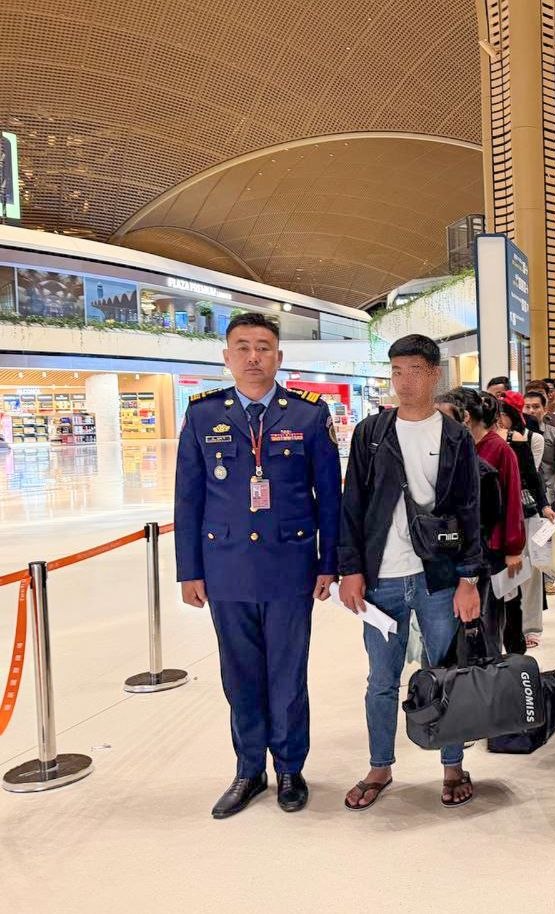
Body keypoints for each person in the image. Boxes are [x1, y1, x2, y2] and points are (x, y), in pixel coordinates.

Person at [176, 312, 341, 819]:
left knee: (288, 675)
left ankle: (290, 768)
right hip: (225, 568)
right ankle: (249, 770)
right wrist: (189, 570)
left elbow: (329, 497)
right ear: (227, 356)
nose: (253, 357)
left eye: (264, 347)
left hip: (290, 565)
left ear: (278, 356)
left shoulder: (308, 415)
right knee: (240, 675)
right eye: (243, 347)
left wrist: (329, 562)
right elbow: (188, 498)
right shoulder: (203, 414)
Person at [337, 335, 486, 811]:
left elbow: (470, 510)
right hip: (381, 579)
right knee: (381, 679)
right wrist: (350, 569)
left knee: (445, 674)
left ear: (434, 374)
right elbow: (353, 505)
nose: (404, 382)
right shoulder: (371, 432)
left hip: (437, 577)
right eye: (397, 371)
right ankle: (380, 765)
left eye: (415, 371)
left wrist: (468, 578)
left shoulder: (455, 436)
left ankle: (452, 764)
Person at [447, 388, 528, 652]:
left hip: (490, 548)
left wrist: (513, 547)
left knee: (487, 620)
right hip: (457, 547)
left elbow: (513, 500)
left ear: (465, 416)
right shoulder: (454, 446)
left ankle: (489, 670)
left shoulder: (499, 449)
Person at [496, 394, 555, 649]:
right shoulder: (478, 439)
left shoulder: (523, 438)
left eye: (501, 413)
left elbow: (532, 476)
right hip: (495, 514)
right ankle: (505, 628)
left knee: (530, 572)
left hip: (524, 511)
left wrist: (544, 505)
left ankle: (531, 627)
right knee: (504, 575)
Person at [525, 387, 555, 592]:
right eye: (527, 406)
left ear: (544, 410)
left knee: (545, 540)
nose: (531, 410)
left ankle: (547, 579)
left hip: (548, 496)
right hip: (526, 498)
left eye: (536, 406)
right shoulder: (518, 435)